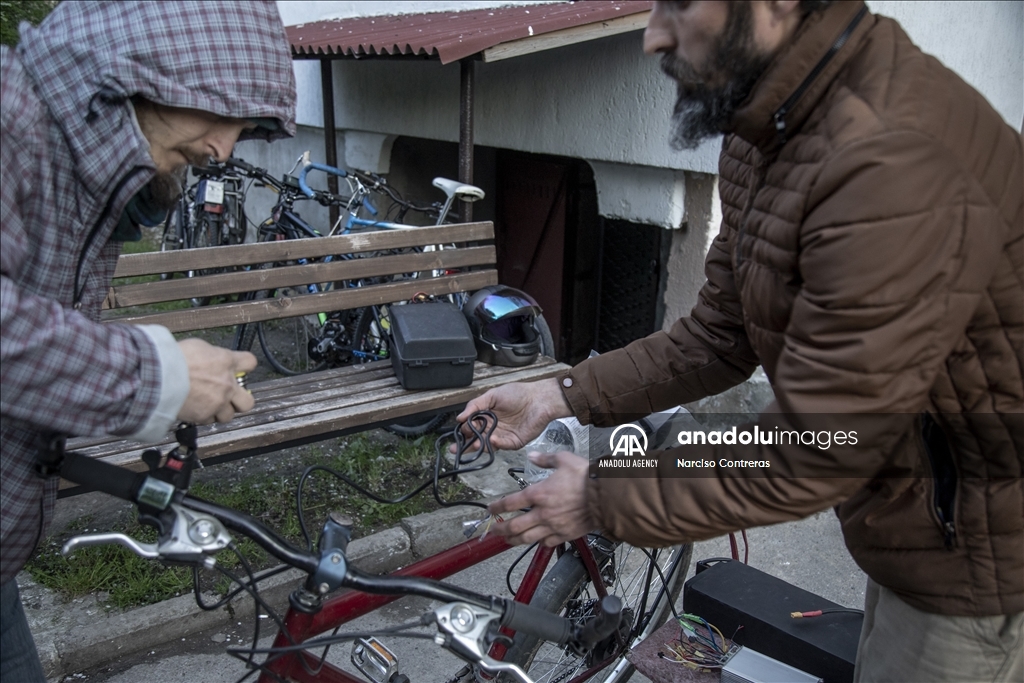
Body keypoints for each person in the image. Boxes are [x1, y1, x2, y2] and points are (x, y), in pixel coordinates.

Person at [462, 1, 1023, 680]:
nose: (653, 37)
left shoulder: (889, 158)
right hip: (916, 518)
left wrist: (604, 493)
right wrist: (561, 393)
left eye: (679, 4)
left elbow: (818, 444)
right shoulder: (768, 130)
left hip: (982, 554)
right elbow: (718, 334)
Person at [0, 1, 297, 679]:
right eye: (222, 112)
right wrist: (159, 377)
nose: (223, 149)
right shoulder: (8, 114)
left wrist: (150, 187)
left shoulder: (73, 159)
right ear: (148, 62)